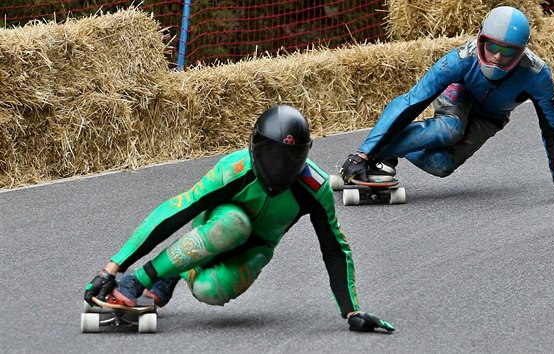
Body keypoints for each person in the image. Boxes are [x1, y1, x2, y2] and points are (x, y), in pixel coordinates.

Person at [84, 105, 395, 333]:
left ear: (305, 154)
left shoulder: (316, 188)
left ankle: (175, 273)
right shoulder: (234, 169)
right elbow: (177, 211)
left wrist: (351, 310)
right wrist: (114, 266)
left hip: (257, 248)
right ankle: (141, 280)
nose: (278, 167)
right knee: (234, 224)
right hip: (218, 226)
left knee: (212, 291)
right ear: (254, 146)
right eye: (271, 155)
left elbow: (334, 247)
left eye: (289, 159)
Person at [339, 6, 554, 202]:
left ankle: (387, 152)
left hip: (492, 117)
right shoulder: (460, 59)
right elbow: (412, 100)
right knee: (449, 128)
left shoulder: (538, 75)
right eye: (491, 47)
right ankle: (368, 157)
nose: (496, 57)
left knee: (441, 167)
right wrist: (362, 153)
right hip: (460, 94)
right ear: (480, 39)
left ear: (522, 52)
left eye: (507, 53)